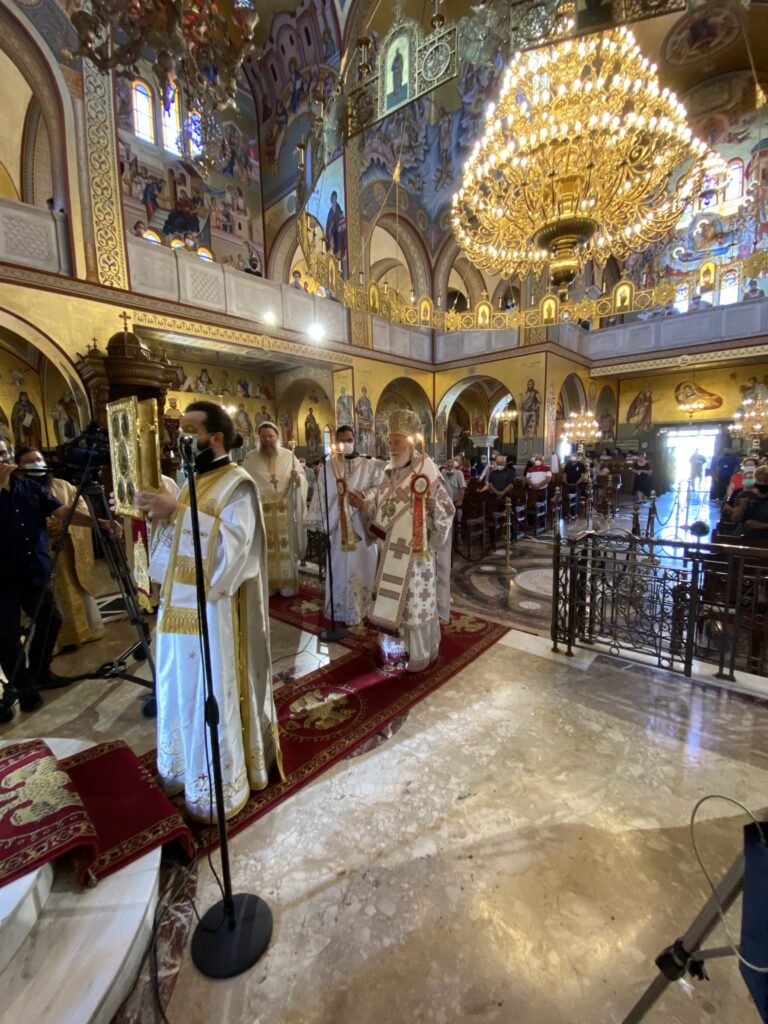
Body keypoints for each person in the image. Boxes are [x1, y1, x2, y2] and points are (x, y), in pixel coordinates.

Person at [136, 402, 282, 821]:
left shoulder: (238, 485)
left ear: (215, 438)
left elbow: (233, 555)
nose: (180, 438)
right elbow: (168, 551)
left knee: (209, 690)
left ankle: (219, 786)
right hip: (177, 610)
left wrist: (176, 514)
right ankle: (183, 769)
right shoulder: (191, 483)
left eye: (189, 430)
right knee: (179, 687)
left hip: (216, 615)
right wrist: (157, 515)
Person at [0, 440, 116, 722]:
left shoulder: (29, 487)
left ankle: (40, 672)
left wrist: (99, 523)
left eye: (3, 452)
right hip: (3, 579)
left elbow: (62, 512)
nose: (2, 458)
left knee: (52, 619)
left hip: (35, 571)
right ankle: (24, 688)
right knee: (7, 635)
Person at [352, 410, 454, 672]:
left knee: (414, 605)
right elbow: (379, 510)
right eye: (390, 441)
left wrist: (433, 509)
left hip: (417, 555)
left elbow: (448, 509)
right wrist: (364, 505)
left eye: (397, 442)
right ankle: (394, 651)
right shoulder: (388, 473)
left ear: (411, 443)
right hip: (390, 552)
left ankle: (419, 654)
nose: (392, 447)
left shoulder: (427, 471)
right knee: (393, 603)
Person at [16, 448, 106, 650]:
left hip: (69, 548)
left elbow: (79, 509)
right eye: (29, 461)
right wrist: (44, 528)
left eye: (38, 459)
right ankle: (56, 643)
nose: (36, 463)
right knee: (49, 600)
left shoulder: (63, 486)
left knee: (75, 587)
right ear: (19, 467)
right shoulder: (19, 491)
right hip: (42, 551)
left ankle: (85, 631)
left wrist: (66, 525)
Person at [307, 425, 383, 625]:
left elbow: (380, 488)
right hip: (337, 528)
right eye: (341, 440)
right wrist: (321, 524)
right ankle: (339, 609)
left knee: (364, 564)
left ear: (354, 440)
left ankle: (363, 607)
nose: (346, 444)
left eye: (349, 440)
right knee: (339, 566)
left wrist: (364, 498)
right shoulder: (327, 467)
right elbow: (321, 496)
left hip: (362, 525)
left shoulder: (371, 464)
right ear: (335, 442)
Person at [242, 421, 307, 596]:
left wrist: (297, 478)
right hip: (261, 512)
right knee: (265, 548)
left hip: (284, 509)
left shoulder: (288, 456)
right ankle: (268, 584)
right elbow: (244, 484)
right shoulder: (250, 458)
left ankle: (287, 584)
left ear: (277, 437)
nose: (267, 440)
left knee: (287, 546)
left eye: (271, 436)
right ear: (259, 438)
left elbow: (300, 480)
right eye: (264, 437)